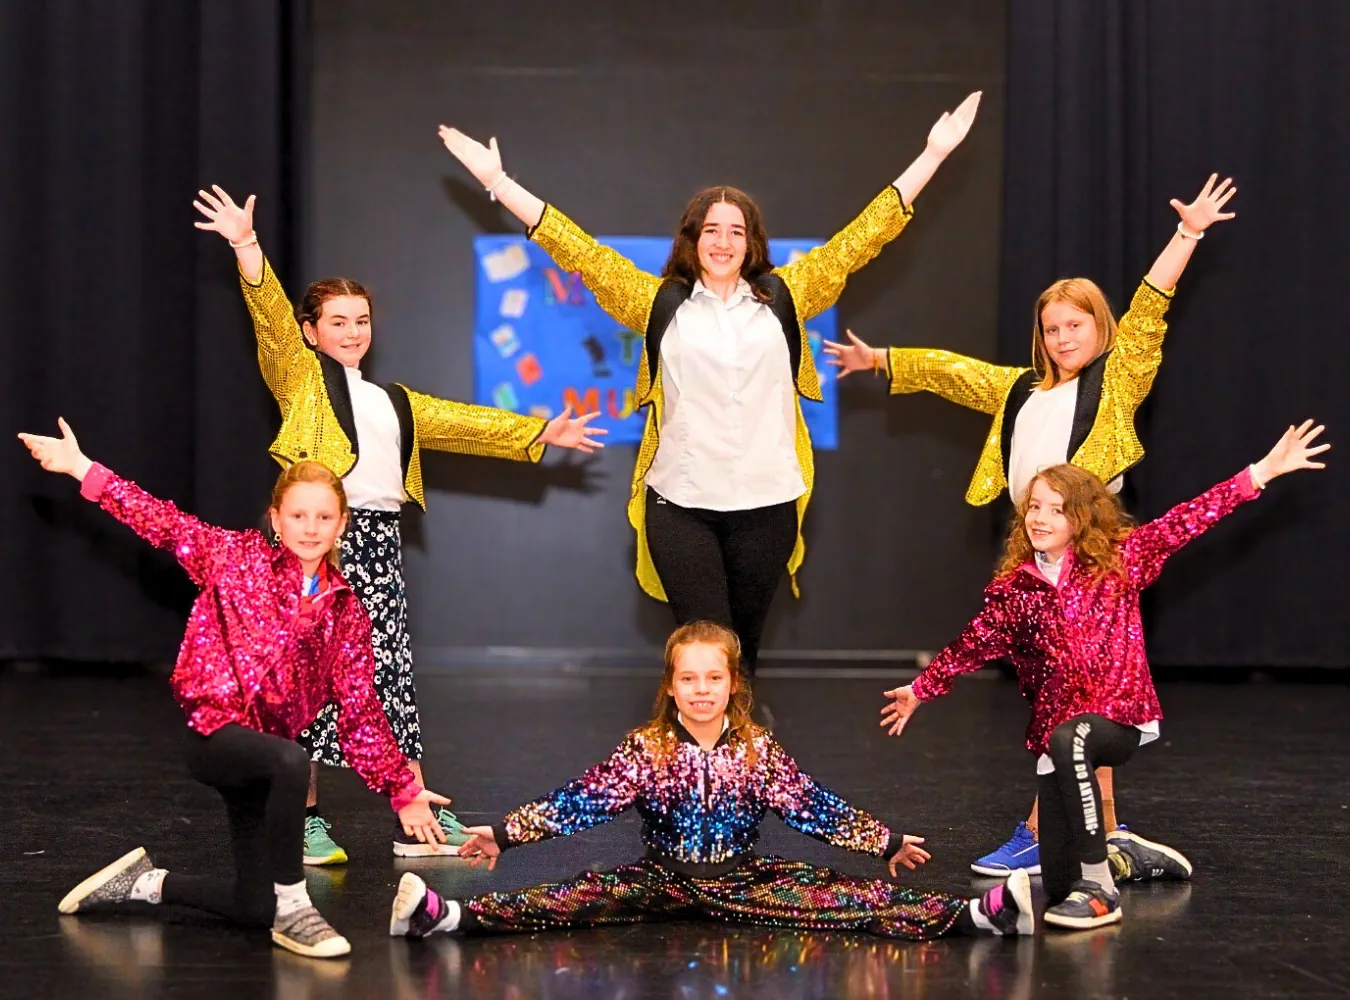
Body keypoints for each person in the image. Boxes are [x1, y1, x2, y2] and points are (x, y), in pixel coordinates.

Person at [437, 93, 981, 672]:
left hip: (769, 502)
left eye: (736, 231)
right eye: (711, 230)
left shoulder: (789, 295)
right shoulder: (655, 301)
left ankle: (740, 744)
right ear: (692, 238)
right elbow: (582, 252)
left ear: (752, 242)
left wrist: (933, 154)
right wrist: (498, 181)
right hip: (681, 503)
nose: (723, 242)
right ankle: (697, 749)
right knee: (703, 649)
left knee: (742, 653)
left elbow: (861, 239)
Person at [826, 173, 1237, 876]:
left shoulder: (1116, 381)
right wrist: (881, 361)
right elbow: (955, 372)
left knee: (1067, 698)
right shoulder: (1020, 387)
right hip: (1035, 548)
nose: (1063, 336)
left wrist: (1187, 233)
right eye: (1052, 327)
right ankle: (1105, 828)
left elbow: (1151, 308)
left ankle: (1041, 828)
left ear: (1098, 329)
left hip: (1089, 557)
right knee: (1073, 698)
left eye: (1076, 324)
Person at [193, 188, 606, 865]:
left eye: (362, 320)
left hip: (378, 548)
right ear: (311, 331)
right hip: (316, 549)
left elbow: (466, 422)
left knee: (391, 682)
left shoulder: (395, 402)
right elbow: (268, 316)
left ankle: (414, 815)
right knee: (310, 687)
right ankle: (305, 820)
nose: (353, 332)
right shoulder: (301, 381)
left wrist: (541, 431)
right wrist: (246, 246)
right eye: (337, 321)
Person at [19, 419, 454, 958]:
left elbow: (361, 711)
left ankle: (146, 883)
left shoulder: (345, 612)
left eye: (323, 517)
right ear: (277, 519)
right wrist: (82, 468)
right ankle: (296, 907)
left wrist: (403, 789)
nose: (311, 528)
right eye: (298, 515)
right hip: (216, 737)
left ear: (342, 524)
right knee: (295, 761)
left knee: (252, 906)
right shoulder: (233, 557)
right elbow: (161, 521)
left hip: (266, 758)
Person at [880, 421, 1328, 929]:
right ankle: (1123, 857)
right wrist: (921, 688)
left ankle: (1101, 889)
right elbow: (972, 643)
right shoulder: (1014, 592)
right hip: (1057, 737)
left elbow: (1187, 520)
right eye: (1034, 507)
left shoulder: (1119, 561)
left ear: (1082, 518)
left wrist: (1263, 471)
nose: (1040, 518)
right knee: (1053, 871)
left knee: (1073, 740)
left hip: (1120, 718)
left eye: (1056, 509)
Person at [388, 620, 1035, 941]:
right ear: (671, 686)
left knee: (849, 898)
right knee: (570, 897)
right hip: (660, 874)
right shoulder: (648, 749)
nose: (701, 690)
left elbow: (815, 808)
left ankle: (977, 917)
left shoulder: (757, 750)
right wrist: (505, 834)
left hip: (744, 876)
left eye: (714, 678)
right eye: (689, 679)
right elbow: (579, 802)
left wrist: (886, 840)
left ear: (733, 685)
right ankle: (445, 920)